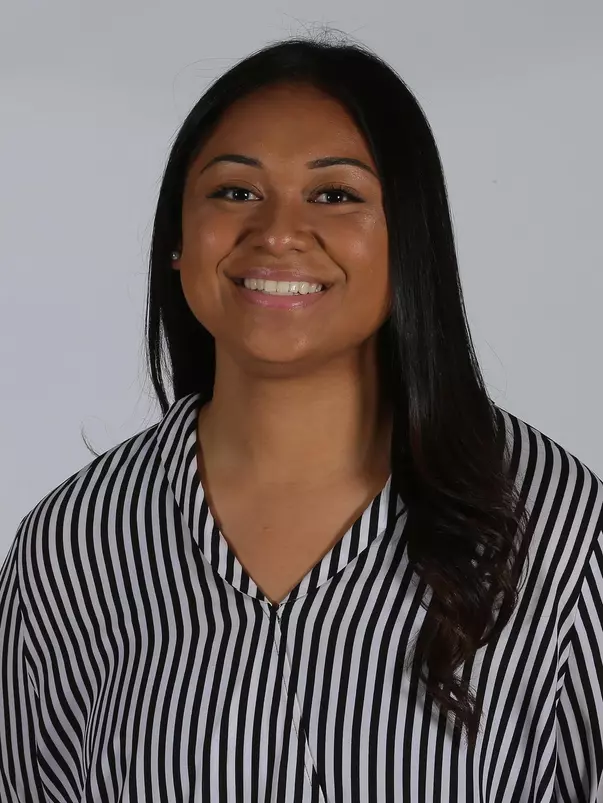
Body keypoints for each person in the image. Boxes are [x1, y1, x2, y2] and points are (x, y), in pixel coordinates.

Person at [1, 33, 602, 803]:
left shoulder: (558, 532)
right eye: (235, 192)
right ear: (177, 244)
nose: (278, 232)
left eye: (335, 195)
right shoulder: (76, 545)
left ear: (407, 238)